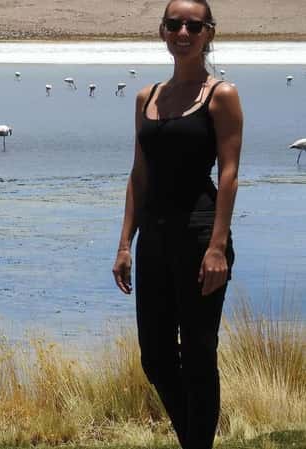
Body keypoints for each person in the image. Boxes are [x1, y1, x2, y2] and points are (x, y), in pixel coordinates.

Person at [111, 0, 243, 448]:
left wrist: (217, 247)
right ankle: (194, 441)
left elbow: (228, 174)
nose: (182, 32)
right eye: (174, 24)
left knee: (200, 353)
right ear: (163, 31)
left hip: (201, 233)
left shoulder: (220, 94)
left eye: (193, 25)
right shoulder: (146, 96)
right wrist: (125, 243)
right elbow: (138, 174)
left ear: (208, 33)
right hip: (154, 238)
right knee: (157, 359)